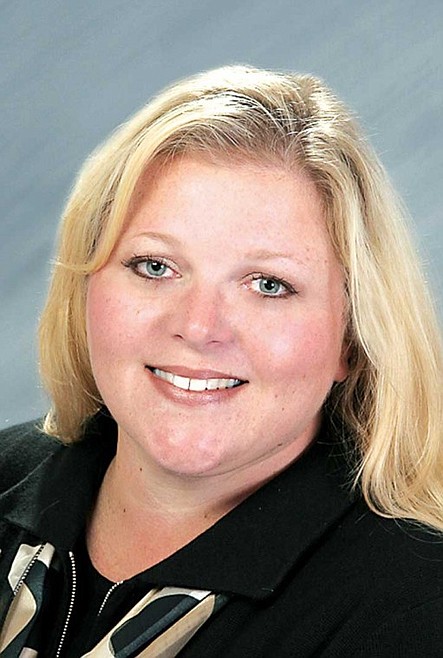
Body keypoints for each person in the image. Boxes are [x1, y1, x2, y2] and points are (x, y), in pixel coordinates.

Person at [0, 65, 441, 657]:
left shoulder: (414, 611)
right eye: (155, 266)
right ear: (85, 290)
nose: (199, 326)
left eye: (268, 284)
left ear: (353, 337)